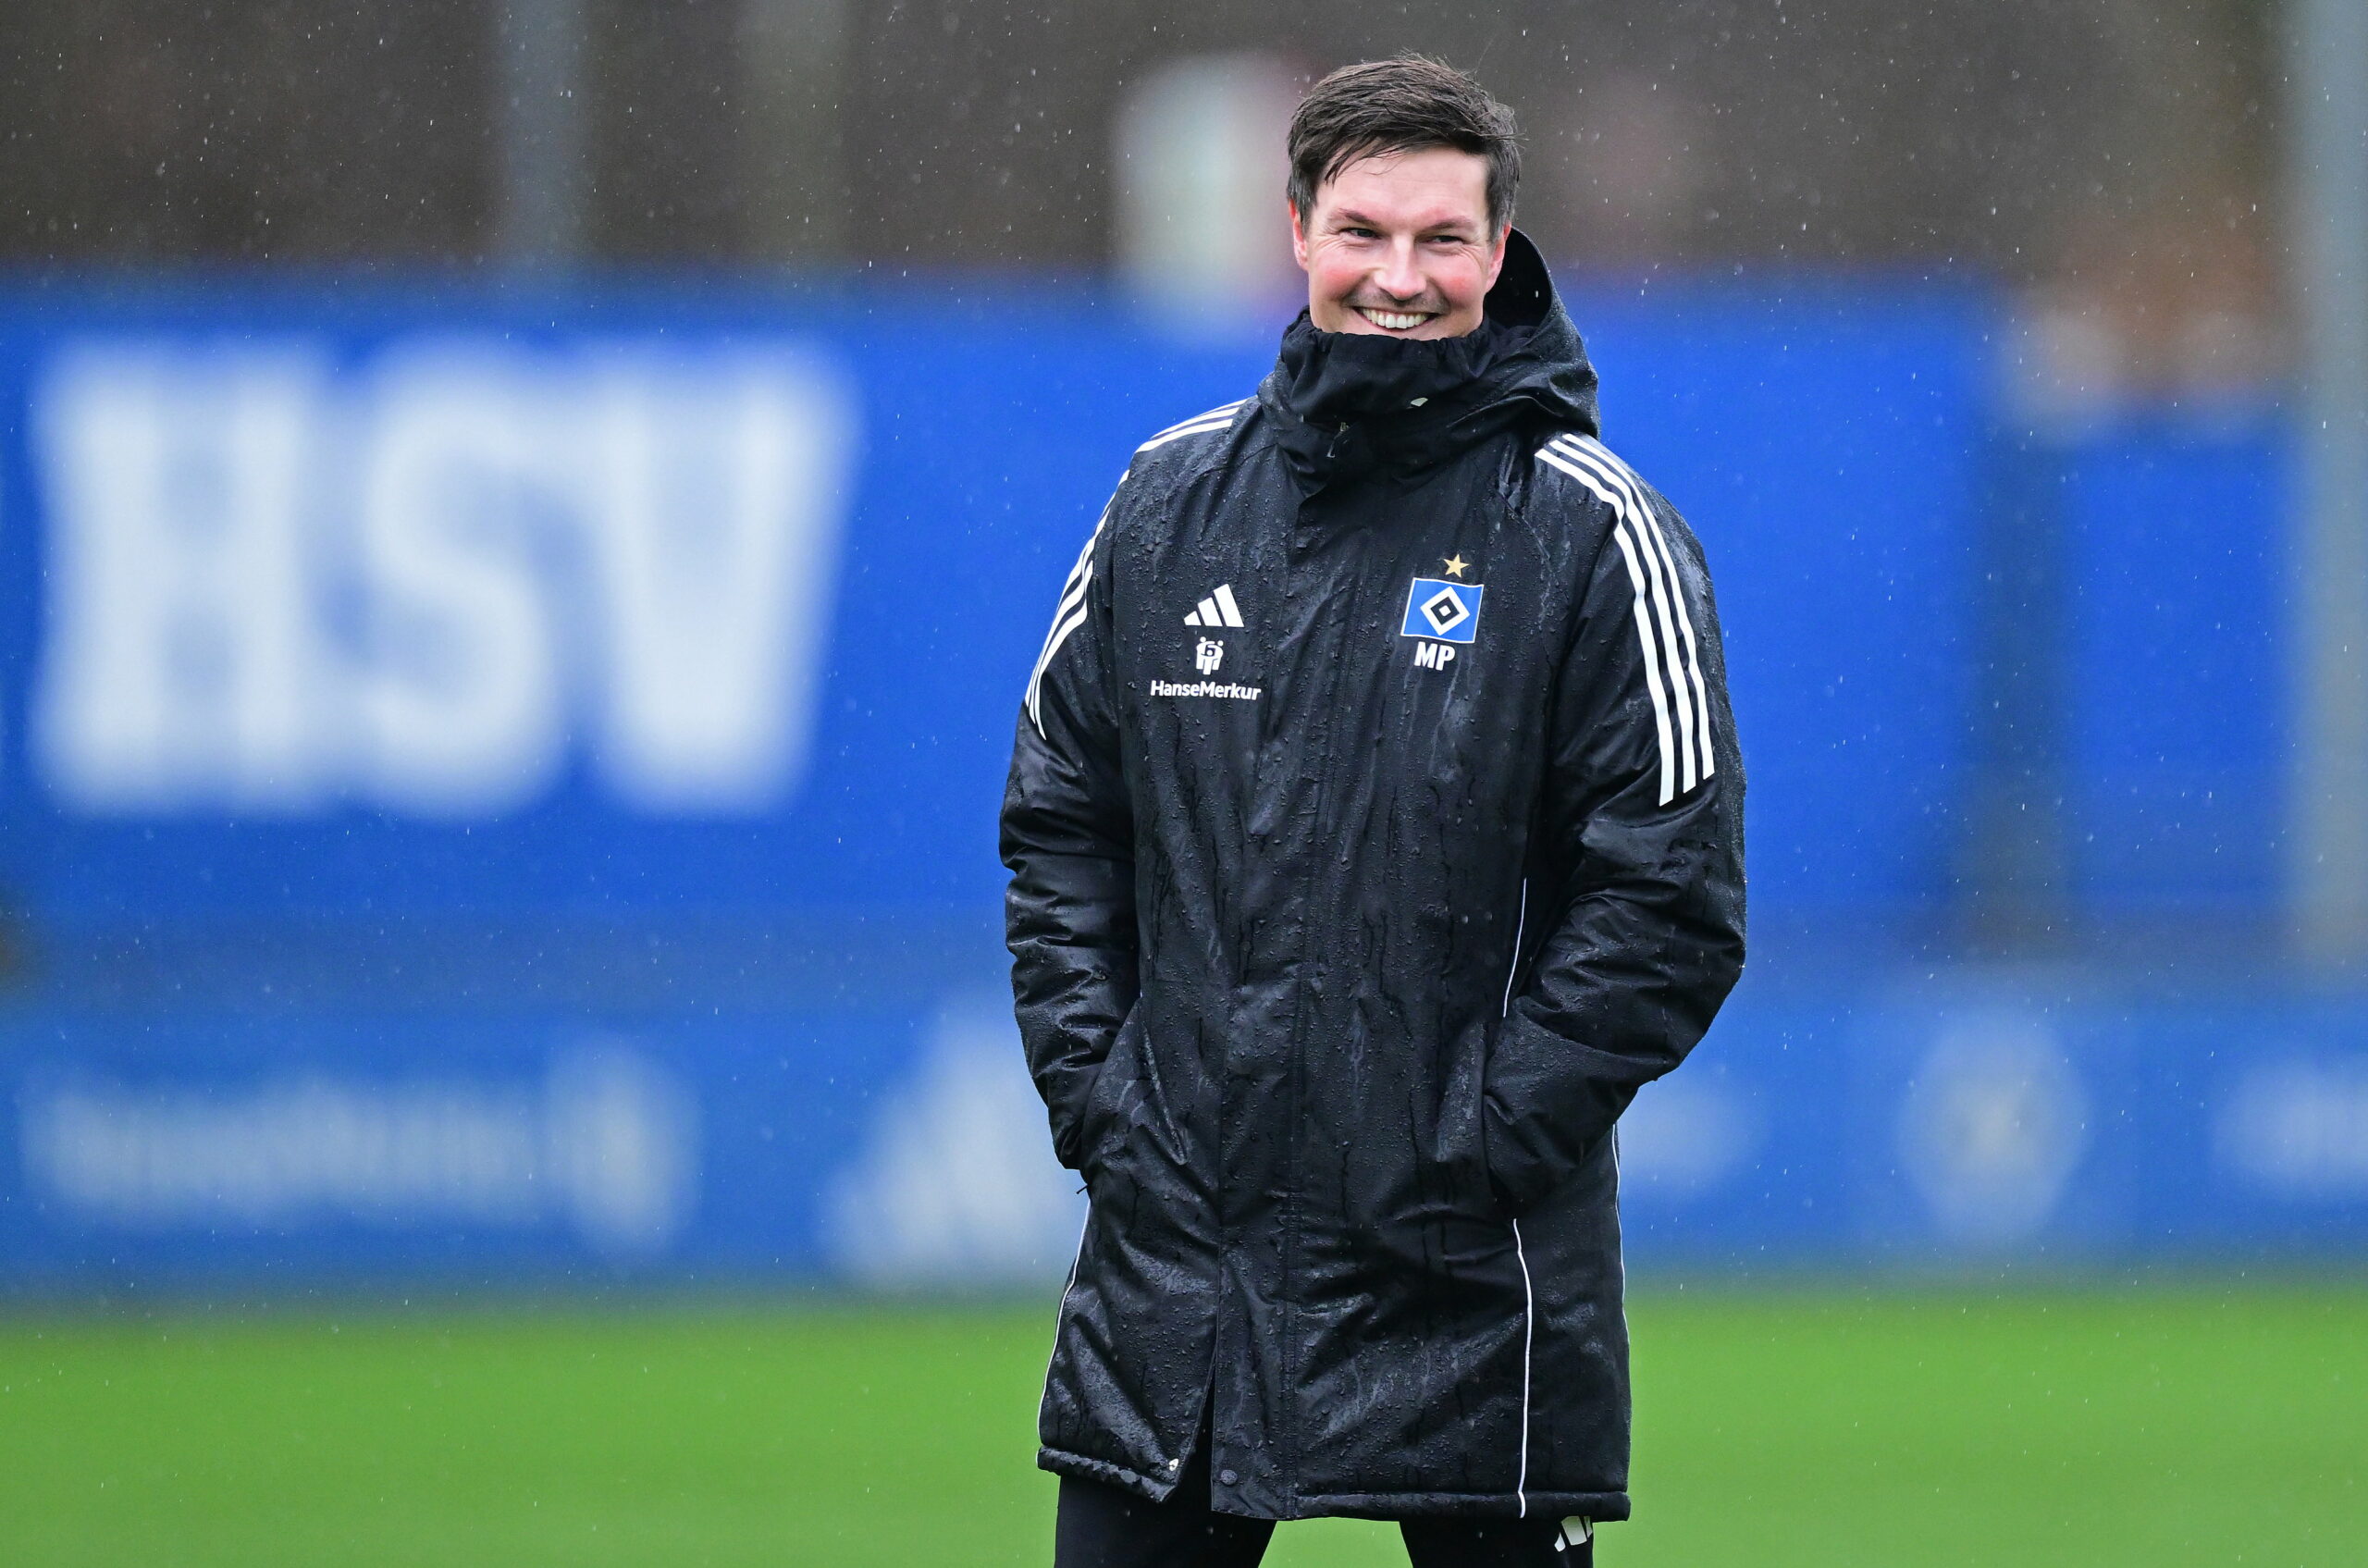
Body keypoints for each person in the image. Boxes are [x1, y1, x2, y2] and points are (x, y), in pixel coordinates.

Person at [1002, 55, 1745, 1568]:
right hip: (1181, 1274)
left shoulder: (1595, 530)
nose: (1399, 277)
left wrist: (1473, 1140)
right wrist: (1111, 1109)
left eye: (1440, 240)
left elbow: (1670, 896)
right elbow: (1061, 825)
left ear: (1500, 250)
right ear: (1296, 231)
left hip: (1471, 1278)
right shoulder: (1165, 503)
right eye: (1364, 233)